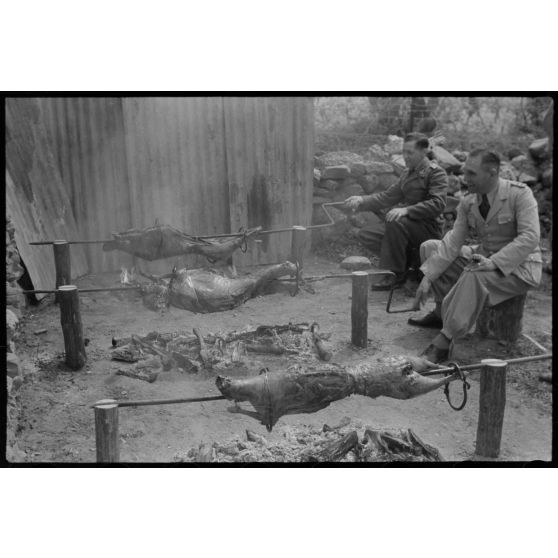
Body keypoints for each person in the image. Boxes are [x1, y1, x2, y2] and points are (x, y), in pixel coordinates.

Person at [409, 149, 542, 363]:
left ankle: (445, 339)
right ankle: (443, 314)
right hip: (484, 258)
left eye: (471, 173)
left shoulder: (519, 194)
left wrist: (494, 263)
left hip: (520, 267)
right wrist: (428, 277)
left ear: (492, 172)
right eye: (465, 172)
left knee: (474, 273)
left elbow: (530, 237)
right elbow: (453, 241)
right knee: (430, 247)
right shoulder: (469, 201)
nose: (464, 178)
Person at [344, 133, 448, 290]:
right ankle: (409, 265)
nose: (405, 156)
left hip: (427, 228)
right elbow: (387, 197)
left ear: (424, 152)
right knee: (368, 234)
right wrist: (361, 200)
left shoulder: (436, 173)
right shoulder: (408, 173)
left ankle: (395, 274)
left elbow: (437, 204)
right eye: (403, 152)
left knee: (395, 221)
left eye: (410, 153)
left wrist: (407, 210)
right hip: (407, 227)